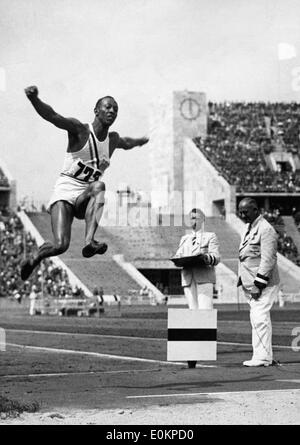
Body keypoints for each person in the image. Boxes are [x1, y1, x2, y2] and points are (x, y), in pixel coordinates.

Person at [21, 86, 148, 280]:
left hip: (85, 196)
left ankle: (90, 241)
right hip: (65, 191)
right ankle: (35, 258)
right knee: (60, 245)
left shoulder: (112, 140)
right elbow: (53, 116)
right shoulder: (80, 130)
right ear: (96, 111)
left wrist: (143, 140)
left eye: (115, 109)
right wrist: (34, 100)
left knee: (99, 186)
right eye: (108, 107)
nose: (112, 111)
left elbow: (127, 143)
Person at [174, 208, 220, 368]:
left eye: (196, 217)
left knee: (205, 311)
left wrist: (205, 258)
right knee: (192, 313)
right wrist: (178, 259)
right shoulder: (184, 238)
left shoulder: (210, 236)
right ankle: (193, 351)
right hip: (188, 277)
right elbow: (178, 254)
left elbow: (216, 257)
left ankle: (203, 348)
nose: (193, 221)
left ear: (203, 219)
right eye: (191, 218)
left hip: (203, 276)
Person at [238, 198, 280, 367]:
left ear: (255, 210)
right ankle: (263, 355)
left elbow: (268, 259)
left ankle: (262, 357)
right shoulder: (248, 228)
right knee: (257, 318)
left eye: (245, 212)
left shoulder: (266, 229)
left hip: (264, 283)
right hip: (250, 282)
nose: (242, 215)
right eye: (240, 212)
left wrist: (259, 284)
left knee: (259, 318)